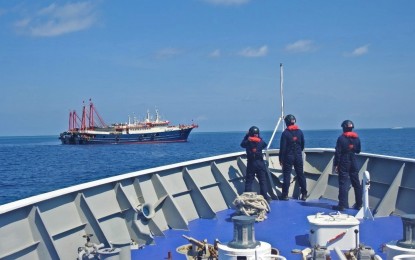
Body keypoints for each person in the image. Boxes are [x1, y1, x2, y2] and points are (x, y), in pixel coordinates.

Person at [332, 120, 363, 211]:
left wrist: (336, 164)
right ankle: (359, 204)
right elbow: (358, 150)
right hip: (353, 161)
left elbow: (338, 153)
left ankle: (342, 205)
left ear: (344, 128)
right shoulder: (356, 138)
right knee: (356, 183)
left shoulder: (341, 139)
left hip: (344, 161)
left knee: (343, 184)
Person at [279, 114, 307, 201]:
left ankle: (285, 195)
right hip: (298, 156)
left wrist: (281, 159)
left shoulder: (285, 133)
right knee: (300, 174)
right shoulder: (300, 132)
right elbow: (302, 145)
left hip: (288, 157)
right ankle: (304, 194)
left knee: (287, 175)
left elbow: (283, 148)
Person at [240, 126, 271, 202]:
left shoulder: (247, 142)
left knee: (249, 181)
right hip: (260, 163)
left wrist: (247, 136)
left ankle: (247, 198)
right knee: (262, 181)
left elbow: (242, 144)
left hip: (251, 163)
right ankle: (265, 197)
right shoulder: (261, 142)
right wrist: (258, 137)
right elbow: (265, 145)